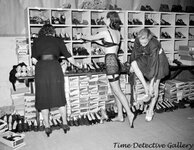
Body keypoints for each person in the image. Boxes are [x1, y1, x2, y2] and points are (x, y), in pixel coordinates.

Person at [80, 11, 136, 128]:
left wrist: (81, 36)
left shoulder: (106, 32)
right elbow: (107, 46)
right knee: (115, 89)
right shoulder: (117, 33)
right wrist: (94, 41)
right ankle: (120, 115)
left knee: (117, 90)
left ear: (109, 19)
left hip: (110, 62)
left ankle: (129, 113)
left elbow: (90, 37)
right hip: (114, 60)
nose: (104, 19)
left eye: (105, 18)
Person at [31, 24, 80, 137]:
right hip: (54, 68)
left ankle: (47, 126)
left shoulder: (37, 41)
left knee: (43, 97)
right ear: (53, 32)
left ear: (42, 32)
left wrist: (42, 62)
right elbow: (68, 56)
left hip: (41, 69)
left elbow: (33, 60)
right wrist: (77, 65)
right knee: (59, 95)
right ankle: (64, 123)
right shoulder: (58, 40)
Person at [130, 28, 169, 121]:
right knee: (133, 64)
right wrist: (131, 64)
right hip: (147, 57)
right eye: (141, 42)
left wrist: (151, 84)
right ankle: (145, 88)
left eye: (145, 43)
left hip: (159, 61)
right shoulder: (138, 39)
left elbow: (154, 65)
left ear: (149, 38)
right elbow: (135, 53)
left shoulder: (153, 44)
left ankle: (150, 110)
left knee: (155, 86)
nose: (142, 44)